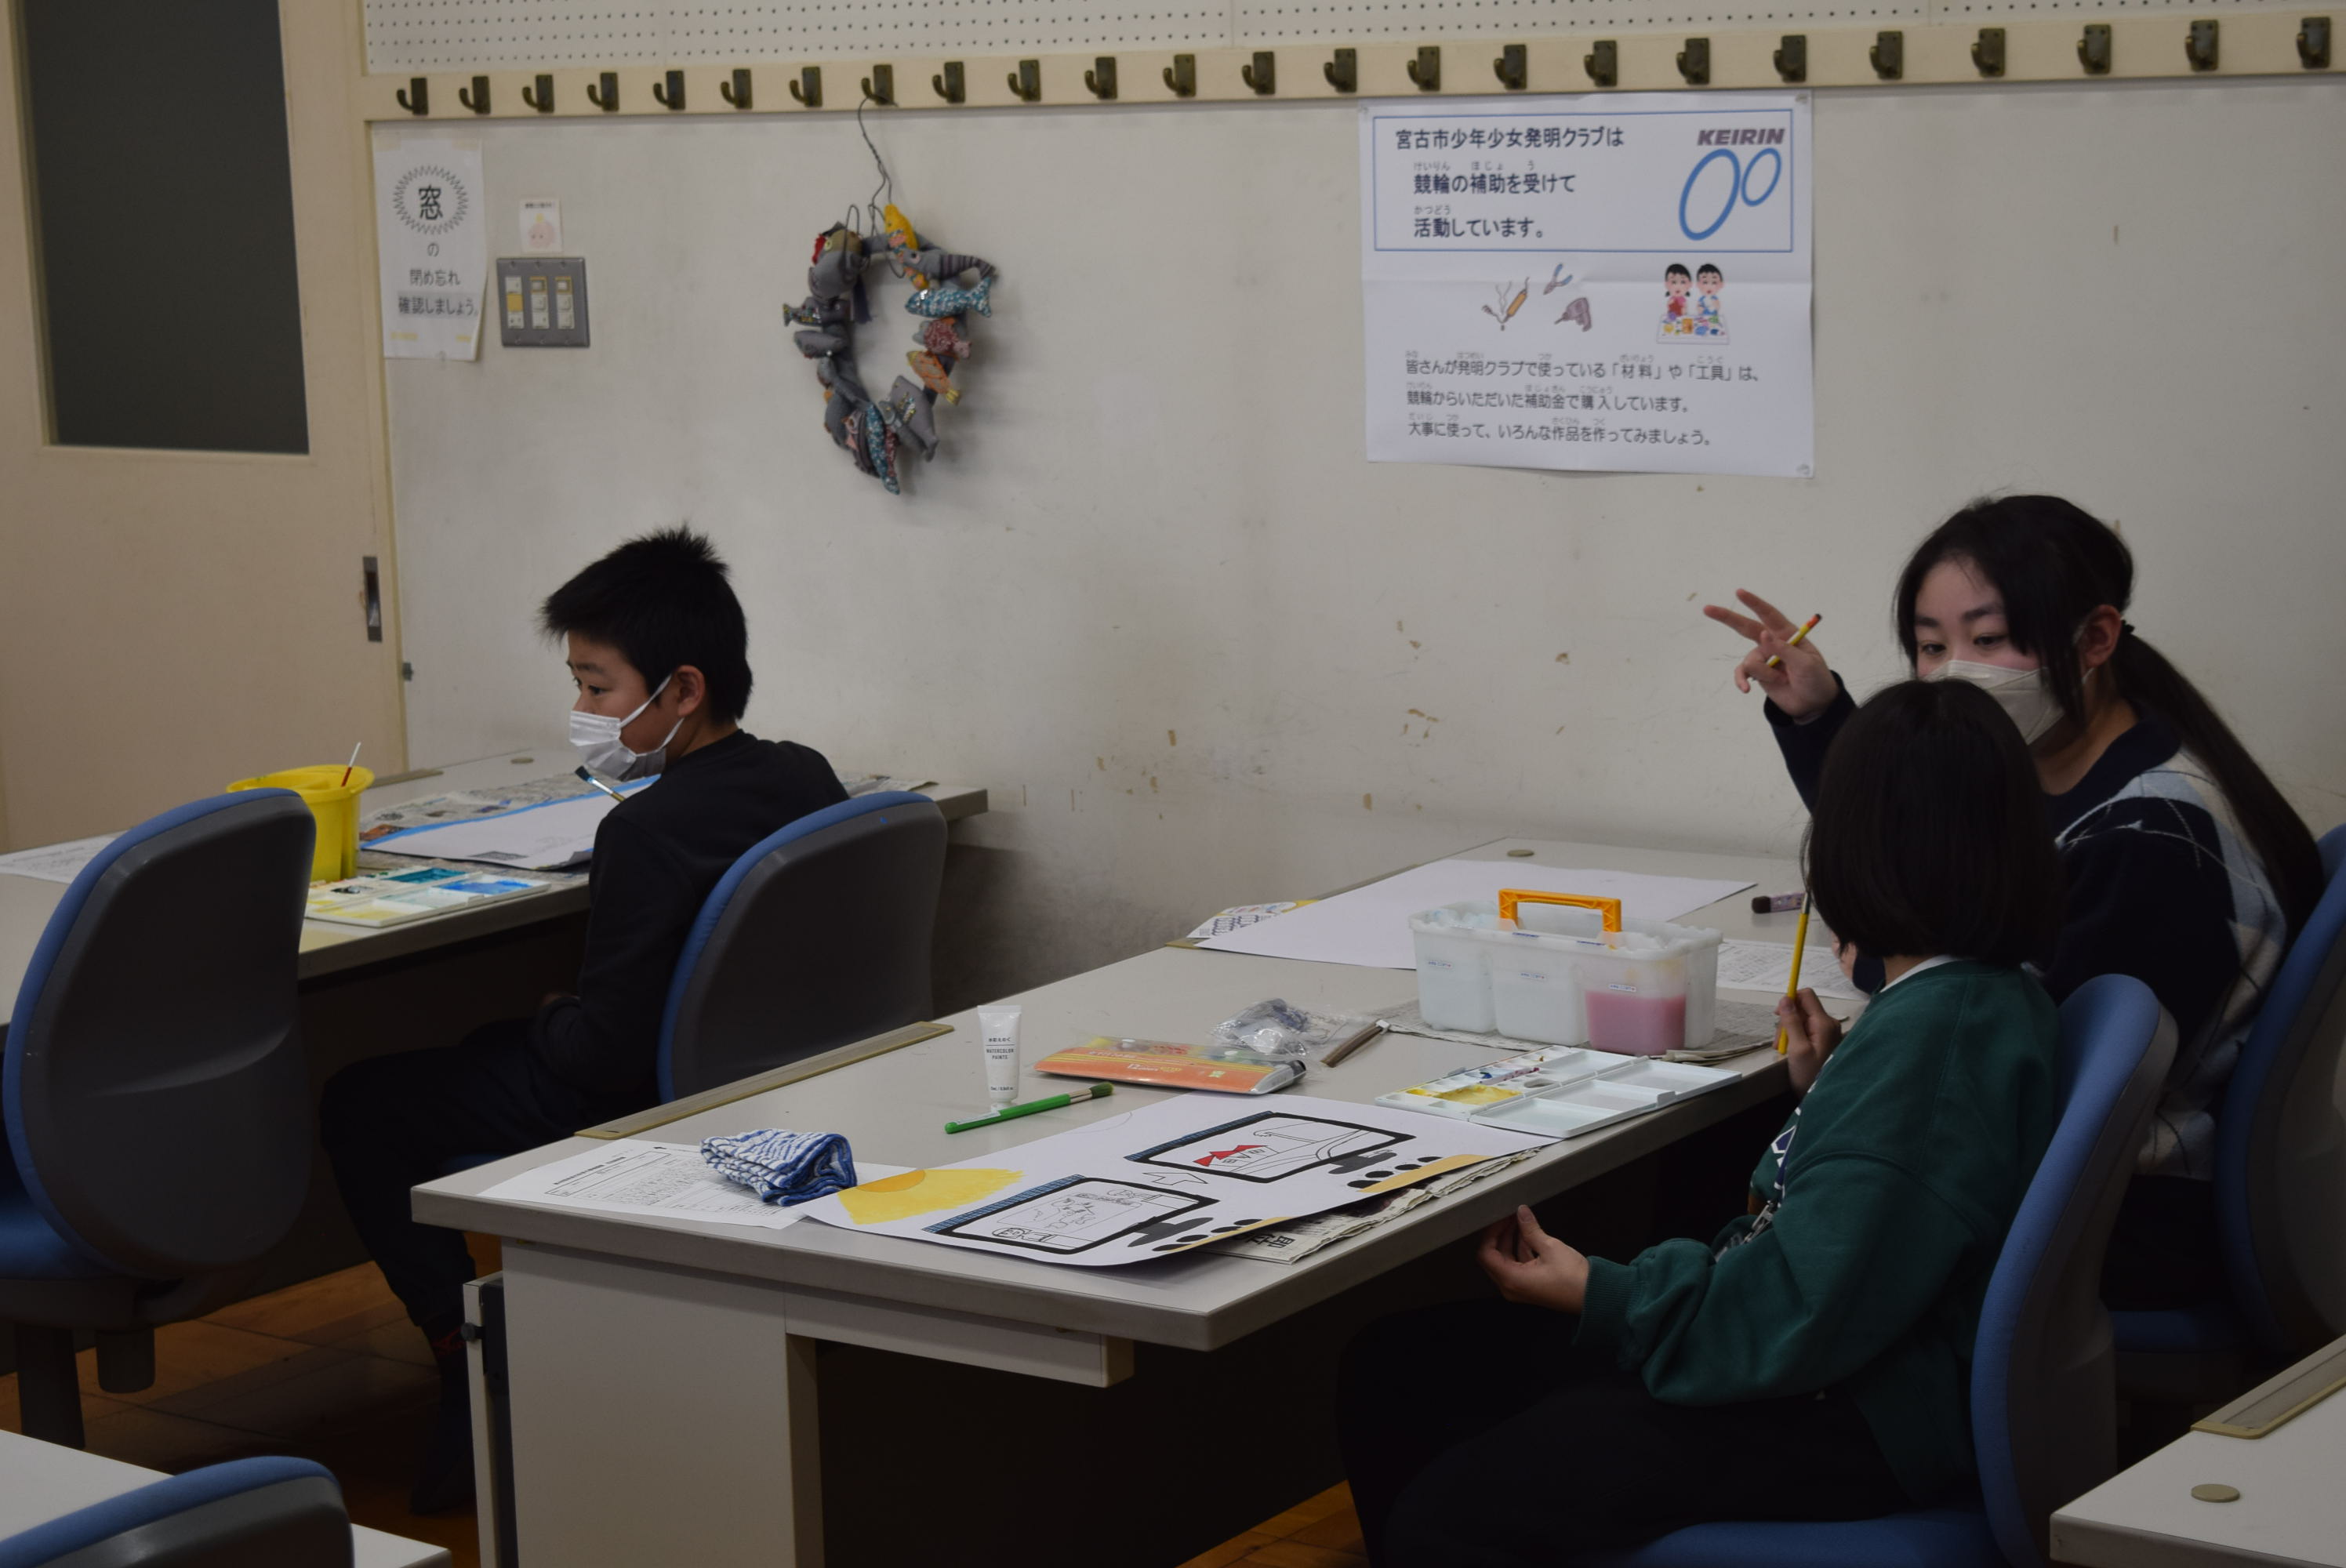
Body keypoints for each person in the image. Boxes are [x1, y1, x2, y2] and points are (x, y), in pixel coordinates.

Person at [1338, 681, 2065, 1563]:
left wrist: (1601, 1294)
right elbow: (1870, 1213)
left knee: (1448, 1510)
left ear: (1852, 852)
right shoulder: (1977, 1002)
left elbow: (1795, 1312)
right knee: (1401, 1366)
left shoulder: (1931, 1045)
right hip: (1842, 1364)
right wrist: (1828, 1093)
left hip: (1850, 1408)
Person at [321, 526, 847, 1511]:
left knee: (363, 1098)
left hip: (645, 1098)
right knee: (482, 1048)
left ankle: (465, 1353)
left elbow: (599, 1055)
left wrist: (550, 1010)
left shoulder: (643, 830)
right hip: (772, 1079)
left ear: (682, 689)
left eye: (598, 687)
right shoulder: (804, 774)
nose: (582, 711)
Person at [1704, 495, 2321, 1309]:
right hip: (2070, 1185)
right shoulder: (2077, 766)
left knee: (1710, 1183)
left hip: (2101, 1222)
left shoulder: (2148, 846)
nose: (1958, 669)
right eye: (1932, 646)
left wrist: (1884, 965)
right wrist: (1820, 716)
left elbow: (1995, 1066)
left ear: (2095, 638)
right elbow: (1919, 837)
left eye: (1989, 639)